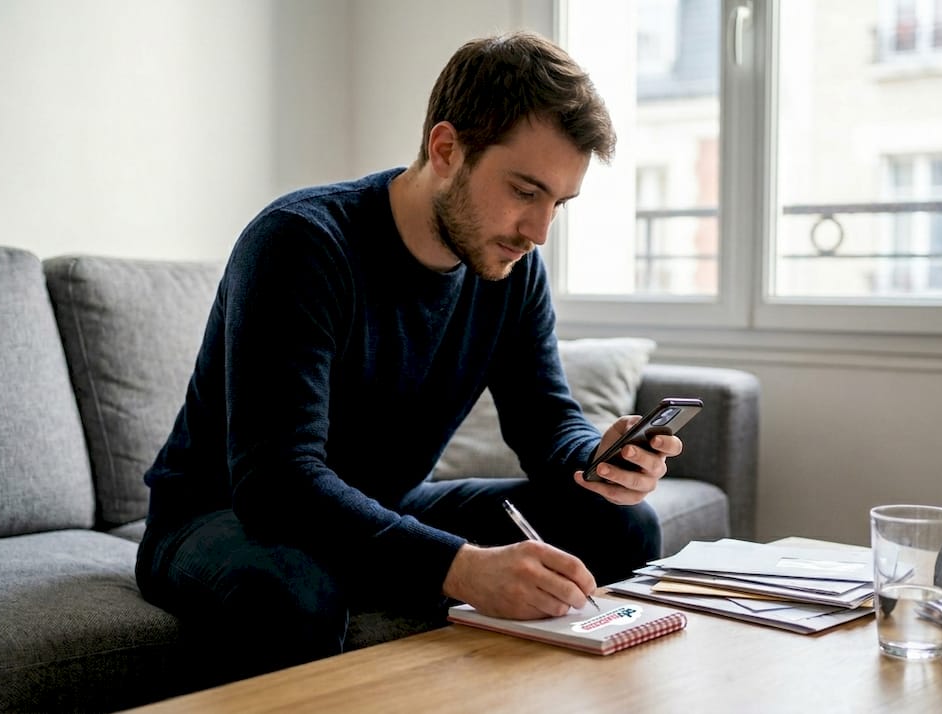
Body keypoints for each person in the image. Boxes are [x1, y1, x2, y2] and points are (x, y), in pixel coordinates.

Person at [135, 30, 684, 680]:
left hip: (385, 503)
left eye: (558, 204)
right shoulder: (300, 244)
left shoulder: (510, 271)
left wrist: (598, 460)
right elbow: (276, 484)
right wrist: (460, 568)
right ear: (446, 149)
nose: (538, 232)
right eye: (525, 191)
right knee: (294, 591)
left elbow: (545, 423)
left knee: (624, 526)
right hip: (220, 516)